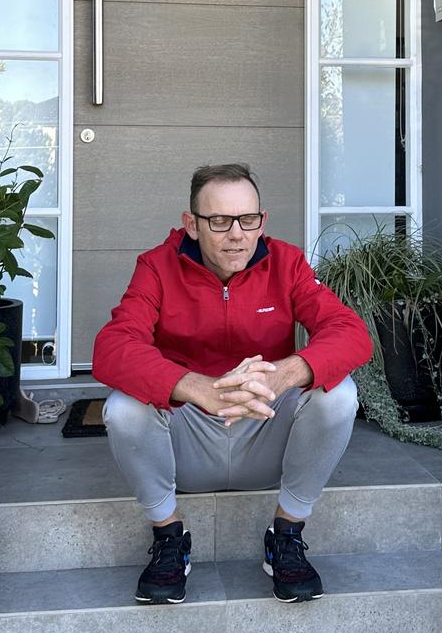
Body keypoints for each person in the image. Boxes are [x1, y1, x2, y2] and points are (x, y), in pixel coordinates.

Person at [92, 164, 372, 605]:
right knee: (124, 406)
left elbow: (351, 332)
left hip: (264, 433)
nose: (237, 235)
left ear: (262, 219)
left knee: (339, 395)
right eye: (220, 221)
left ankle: (286, 534)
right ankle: (169, 537)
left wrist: (283, 375)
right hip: (189, 442)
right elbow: (111, 347)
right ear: (192, 224)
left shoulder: (287, 263)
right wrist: (198, 387)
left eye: (249, 220)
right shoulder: (157, 267)